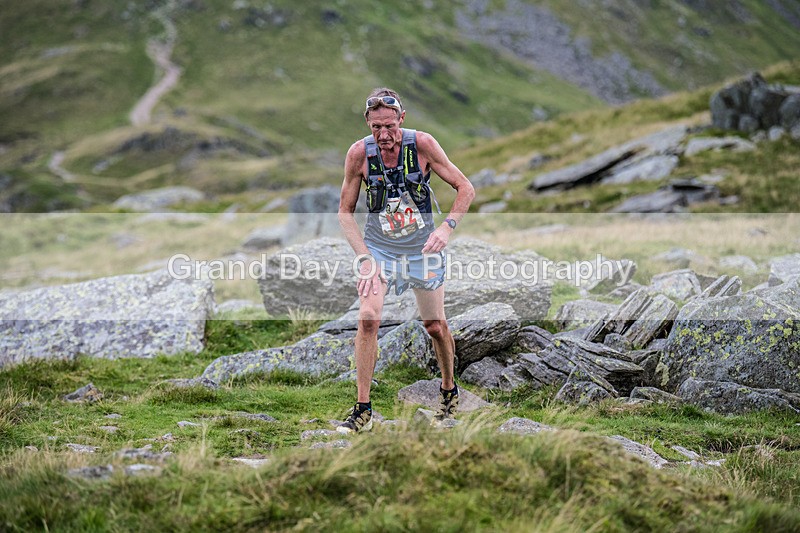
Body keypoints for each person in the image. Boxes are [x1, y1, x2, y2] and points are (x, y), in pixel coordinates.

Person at [337, 88, 475, 433]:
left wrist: (447, 228)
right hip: (379, 248)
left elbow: (465, 188)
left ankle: (448, 389)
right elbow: (344, 213)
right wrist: (365, 259)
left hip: (422, 247)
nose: (383, 135)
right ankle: (363, 409)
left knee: (435, 326)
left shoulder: (423, 145)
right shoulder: (358, 155)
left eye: (389, 126)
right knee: (368, 318)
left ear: (402, 118)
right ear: (367, 124)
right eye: (375, 128)